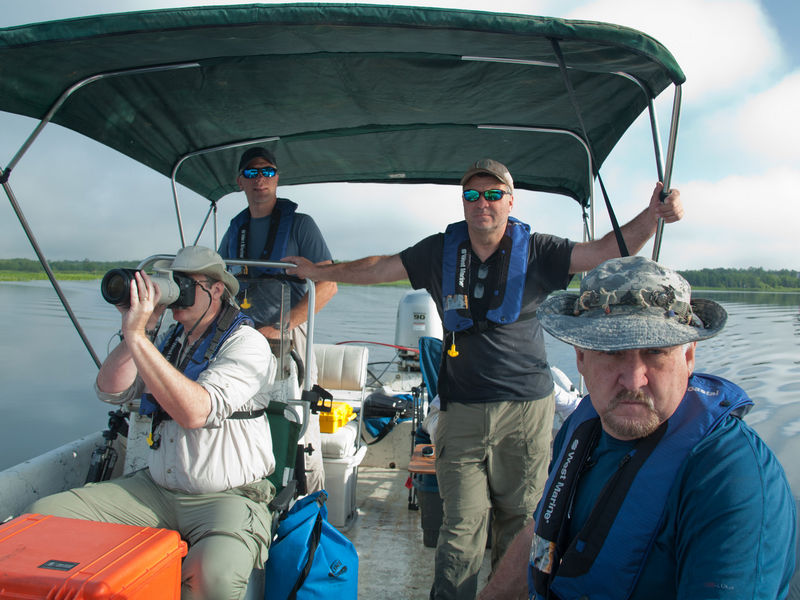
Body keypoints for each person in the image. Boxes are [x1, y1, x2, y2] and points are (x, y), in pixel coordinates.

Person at [285, 158, 685, 599]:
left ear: (510, 202)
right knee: (460, 530)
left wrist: (653, 215)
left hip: (527, 410)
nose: (483, 203)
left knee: (520, 526)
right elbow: (378, 267)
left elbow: (605, 250)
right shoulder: (439, 251)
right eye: (472, 195)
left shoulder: (539, 251)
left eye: (493, 194)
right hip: (461, 413)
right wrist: (317, 271)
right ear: (463, 202)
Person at [478, 256, 797, 600]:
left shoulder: (731, 478)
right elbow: (539, 532)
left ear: (689, 358)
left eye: (656, 352)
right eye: (612, 352)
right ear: (581, 358)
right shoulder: (583, 425)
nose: (633, 380)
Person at [29, 246, 277, 600]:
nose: (177, 292)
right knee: (44, 517)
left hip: (225, 496)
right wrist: (140, 329)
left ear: (217, 289)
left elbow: (195, 412)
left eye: (185, 283)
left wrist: (137, 338)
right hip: (156, 490)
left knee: (215, 575)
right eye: (171, 282)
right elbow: (110, 390)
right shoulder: (169, 339)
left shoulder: (247, 343)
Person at [219, 146, 338, 494]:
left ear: (277, 178)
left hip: (289, 339)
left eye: (268, 171)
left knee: (300, 430)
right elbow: (221, 285)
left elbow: (328, 285)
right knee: (242, 420)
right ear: (240, 181)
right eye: (252, 173)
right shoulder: (234, 230)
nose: (261, 180)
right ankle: (251, 495)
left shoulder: (301, 226)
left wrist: (281, 326)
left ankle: (311, 509)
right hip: (242, 338)